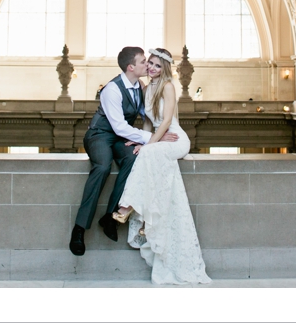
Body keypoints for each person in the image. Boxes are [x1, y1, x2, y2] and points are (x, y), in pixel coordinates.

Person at [112, 48, 211, 285]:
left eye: (157, 65)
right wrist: (142, 141)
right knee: (145, 155)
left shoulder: (167, 85)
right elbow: (148, 121)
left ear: (164, 68)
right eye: (150, 64)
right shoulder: (148, 89)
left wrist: (149, 145)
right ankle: (139, 214)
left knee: (146, 155)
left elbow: (166, 121)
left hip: (175, 139)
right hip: (159, 138)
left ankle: (127, 207)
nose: (152, 68)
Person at [69, 46, 179, 256]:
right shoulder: (112, 89)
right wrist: (153, 138)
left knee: (134, 158)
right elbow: (119, 126)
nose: (147, 64)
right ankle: (79, 228)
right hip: (100, 134)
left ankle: (110, 216)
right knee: (102, 166)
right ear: (131, 67)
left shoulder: (140, 86)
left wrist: (159, 135)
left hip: (122, 138)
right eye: (143, 61)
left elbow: (147, 113)